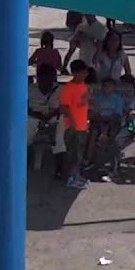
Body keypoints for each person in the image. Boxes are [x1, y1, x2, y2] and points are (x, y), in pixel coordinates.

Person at [60, 60, 92, 190]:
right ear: (75, 73)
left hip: (82, 125)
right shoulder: (68, 88)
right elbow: (64, 108)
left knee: (79, 154)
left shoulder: (84, 85)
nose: (84, 74)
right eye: (82, 72)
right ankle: (71, 178)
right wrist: (72, 122)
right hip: (73, 127)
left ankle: (77, 175)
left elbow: (81, 104)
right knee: (73, 154)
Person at [28, 64, 65, 177]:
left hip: (54, 117)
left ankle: (59, 169)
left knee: (59, 137)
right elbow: (24, 106)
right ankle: (24, 161)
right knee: (25, 131)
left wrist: (49, 116)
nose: (45, 81)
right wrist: (39, 116)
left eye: (48, 78)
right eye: (42, 78)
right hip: (34, 117)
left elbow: (63, 107)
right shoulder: (30, 89)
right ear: (37, 78)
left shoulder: (60, 89)